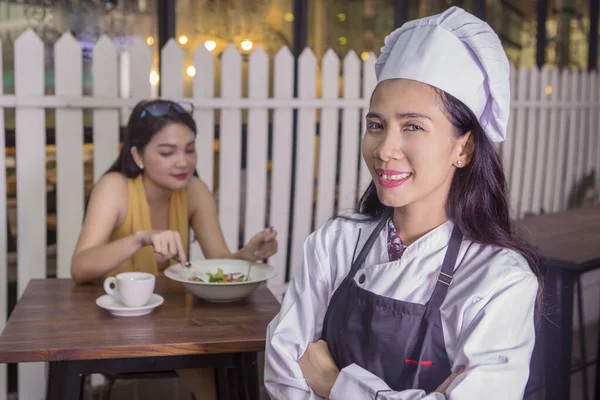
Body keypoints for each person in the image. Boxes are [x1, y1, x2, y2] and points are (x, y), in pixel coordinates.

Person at [264, 7, 541, 400]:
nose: (385, 149)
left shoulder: (499, 280)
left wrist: (333, 384)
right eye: (376, 126)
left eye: (413, 126)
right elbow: (282, 374)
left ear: (463, 147)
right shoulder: (334, 244)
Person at [71, 99, 278, 399]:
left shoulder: (194, 190)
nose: (183, 162)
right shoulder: (114, 187)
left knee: (234, 359)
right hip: (114, 322)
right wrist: (140, 237)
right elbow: (79, 268)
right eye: (167, 152)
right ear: (137, 155)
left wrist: (247, 255)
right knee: (213, 366)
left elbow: (219, 261)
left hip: (168, 321)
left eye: (190, 149)